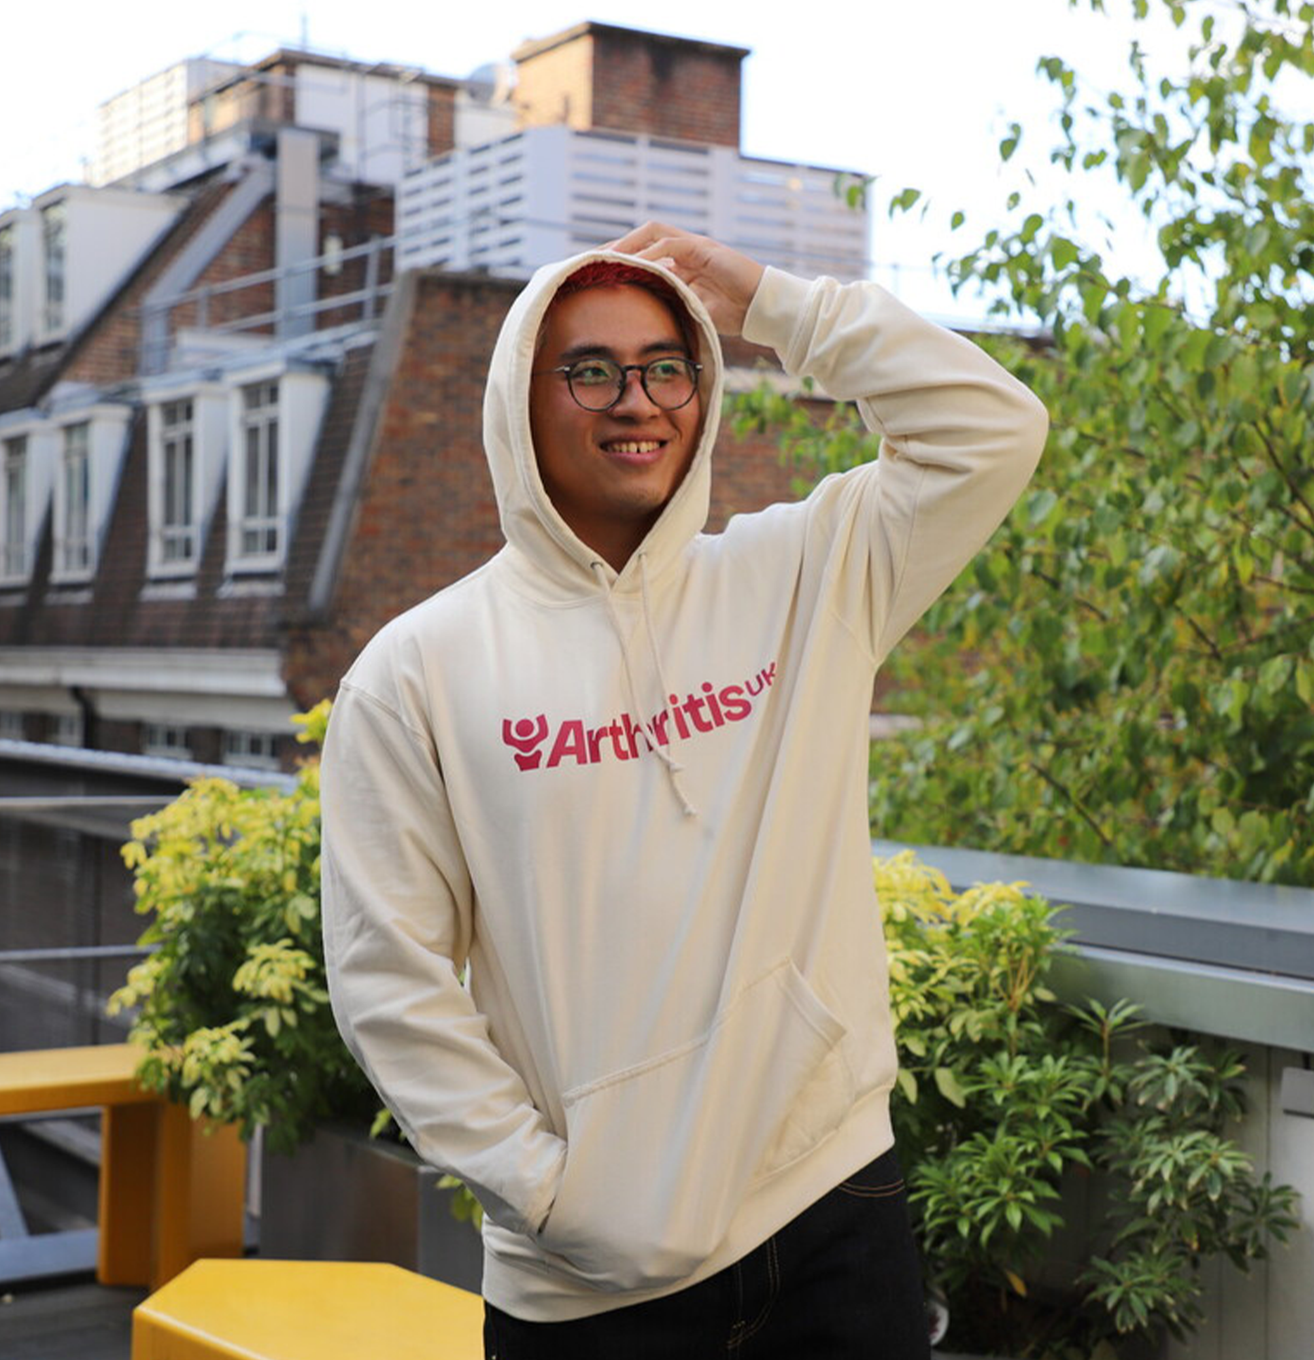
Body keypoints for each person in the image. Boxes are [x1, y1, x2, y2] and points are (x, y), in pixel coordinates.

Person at [320, 221, 1048, 1357]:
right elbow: (386, 980)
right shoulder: (415, 672)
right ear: (520, 394)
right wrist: (550, 1192)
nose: (638, 401)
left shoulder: (805, 576)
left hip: (833, 1211)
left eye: (667, 365)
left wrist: (769, 304)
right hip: (585, 1286)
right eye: (591, 369)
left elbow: (993, 427)